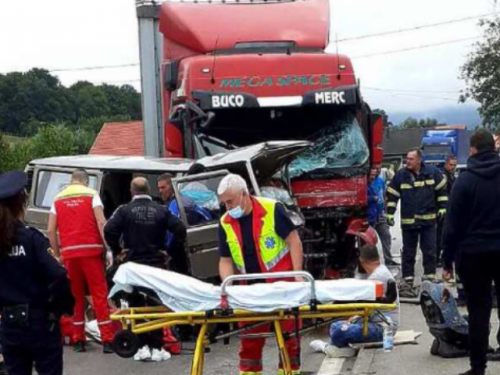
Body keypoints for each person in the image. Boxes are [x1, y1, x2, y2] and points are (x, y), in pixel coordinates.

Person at [217, 174, 303, 375]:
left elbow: (294, 241)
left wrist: (298, 274)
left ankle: (289, 372)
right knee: (249, 343)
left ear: (244, 194)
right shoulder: (225, 222)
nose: (228, 207)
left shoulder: (271, 209)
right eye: (224, 203)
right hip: (250, 290)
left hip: (282, 285)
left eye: (230, 201)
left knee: (290, 339)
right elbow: (225, 260)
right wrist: (227, 288)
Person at [104, 177, 187, 362]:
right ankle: (157, 346)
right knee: (156, 304)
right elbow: (181, 229)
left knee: (136, 305)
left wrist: (118, 251)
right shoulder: (161, 210)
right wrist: (168, 251)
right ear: (150, 191)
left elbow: (108, 229)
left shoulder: (124, 211)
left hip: (133, 265)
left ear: (132, 191)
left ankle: (141, 346)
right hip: (156, 264)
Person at [0, 171, 74, 375]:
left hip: (9, 324)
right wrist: (64, 306)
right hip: (41, 323)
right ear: (21, 203)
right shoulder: (31, 239)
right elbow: (58, 275)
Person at [442, 130, 500, 375]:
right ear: (494, 148)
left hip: (473, 255)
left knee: (478, 312)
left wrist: (447, 261)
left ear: (473, 150)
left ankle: (478, 368)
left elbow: (452, 225)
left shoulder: (464, 181)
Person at [47, 169, 114, 354]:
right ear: (85, 182)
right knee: (99, 295)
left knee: (75, 297)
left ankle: (78, 340)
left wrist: (58, 254)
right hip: (92, 251)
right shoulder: (92, 194)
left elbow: (51, 230)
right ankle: (107, 339)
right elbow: (101, 223)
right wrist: (107, 248)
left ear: (71, 181)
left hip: (69, 254)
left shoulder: (58, 198)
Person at [386, 148, 448, 298]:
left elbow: (442, 192)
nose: (408, 161)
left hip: (428, 221)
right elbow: (392, 194)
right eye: (407, 158)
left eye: (411, 159)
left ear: (419, 160)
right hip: (409, 222)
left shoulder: (433, 173)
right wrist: (389, 212)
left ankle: (429, 279)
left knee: (430, 250)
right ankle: (408, 281)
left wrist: (443, 208)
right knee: (408, 252)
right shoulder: (401, 175)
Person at [330, 244, 400, 347]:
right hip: (376, 322)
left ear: (361, 260)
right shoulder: (380, 271)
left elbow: (362, 305)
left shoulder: (376, 278)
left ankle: (333, 349)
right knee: (335, 326)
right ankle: (337, 346)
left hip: (381, 327)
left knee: (339, 332)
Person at [367, 165, 398, 266]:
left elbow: (384, 195)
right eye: (371, 174)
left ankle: (388, 259)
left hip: (380, 214)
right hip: (369, 216)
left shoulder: (380, 181)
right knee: (370, 241)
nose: (373, 176)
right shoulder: (364, 184)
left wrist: (387, 209)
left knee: (386, 236)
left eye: (375, 173)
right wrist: (373, 198)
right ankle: (371, 263)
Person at [436, 155, 458, 266]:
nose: (452, 167)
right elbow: (444, 193)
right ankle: (438, 258)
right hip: (443, 210)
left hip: (449, 210)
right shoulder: (444, 176)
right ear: (446, 164)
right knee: (440, 235)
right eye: (451, 165)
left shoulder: (451, 176)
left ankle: (444, 256)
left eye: (454, 165)